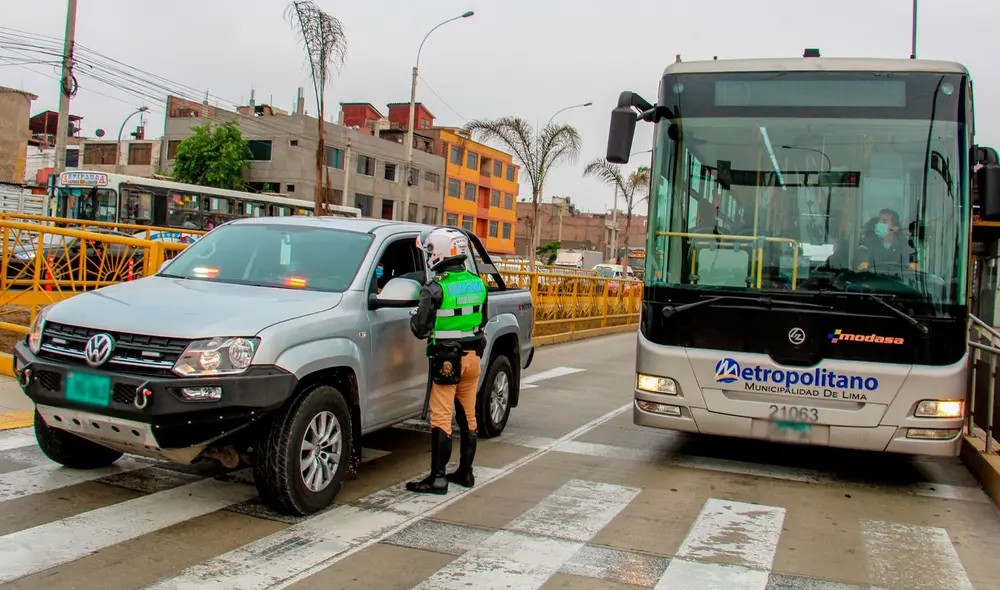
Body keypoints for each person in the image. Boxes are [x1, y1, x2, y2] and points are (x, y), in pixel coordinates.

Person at [406, 227, 488, 495]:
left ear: (441, 253)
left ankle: (438, 478)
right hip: (472, 357)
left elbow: (420, 329)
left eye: (430, 251)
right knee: (468, 416)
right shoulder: (478, 283)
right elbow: (482, 321)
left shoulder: (435, 287)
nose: (429, 256)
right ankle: (465, 472)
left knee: (441, 417)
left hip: (446, 360)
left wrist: (415, 314)